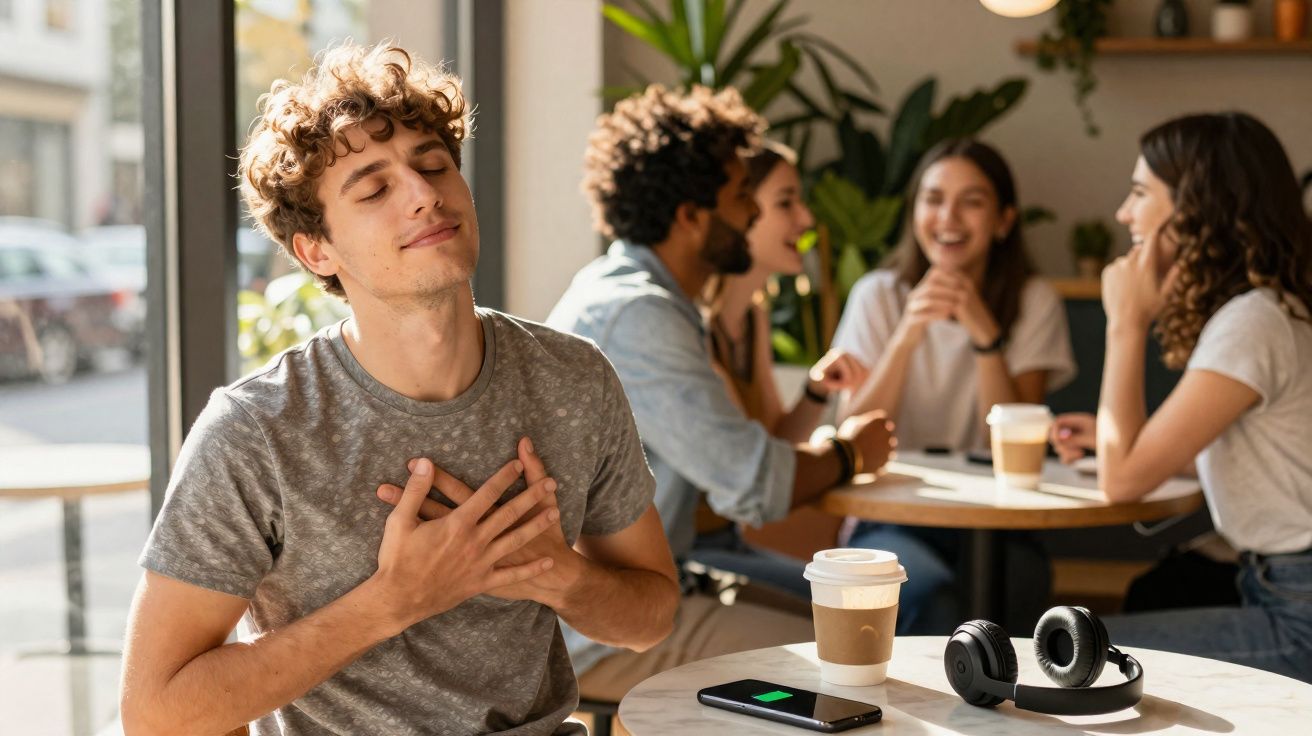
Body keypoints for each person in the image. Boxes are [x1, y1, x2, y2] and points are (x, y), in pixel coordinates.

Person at [119, 42, 680, 735]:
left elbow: (651, 616)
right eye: (375, 189)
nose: (424, 194)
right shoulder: (256, 430)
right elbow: (156, 712)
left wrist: (559, 575)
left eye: (434, 165)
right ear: (316, 250)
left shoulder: (574, 377)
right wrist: (393, 600)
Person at [547, 84, 896, 702]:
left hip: (663, 582)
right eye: (742, 199)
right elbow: (755, 485)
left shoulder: (632, 294)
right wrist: (851, 454)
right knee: (856, 666)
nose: (754, 217)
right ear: (690, 215)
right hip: (604, 626)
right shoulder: (639, 316)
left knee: (866, 634)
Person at [1050, 112, 1312, 683]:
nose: (1123, 213)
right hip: (1280, 590)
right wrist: (1127, 440)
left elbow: (1122, 482)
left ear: (1194, 211)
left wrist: (1124, 323)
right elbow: (1256, 455)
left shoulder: (1252, 322)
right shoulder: (1268, 308)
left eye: (1141, 192)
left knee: (1074, 654)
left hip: (1299, 615)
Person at [831, 139, 1076, 634]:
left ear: (1004, 220)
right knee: (926, 595)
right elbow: (851, 439)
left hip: (996, 518)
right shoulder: (877, 294)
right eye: (934, 198)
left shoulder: (1033, 300)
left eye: (972, 201)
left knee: (1023, 580)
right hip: (890, 515)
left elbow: (1012, 446)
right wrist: (906, 337)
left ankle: (1001, 706)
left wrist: (987, 339)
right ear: (915, 210)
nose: (949, 217)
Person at [697, 140, 869, 578]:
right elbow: (755, 474)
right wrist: (852, 451)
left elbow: (777, 440)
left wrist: (814, 392)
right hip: (702, 557)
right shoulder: (694, 328)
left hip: (732, 542)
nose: (806, 219)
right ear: (739, 210)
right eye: (786, 202)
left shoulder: (753, 314)